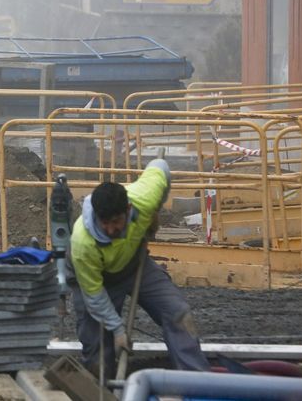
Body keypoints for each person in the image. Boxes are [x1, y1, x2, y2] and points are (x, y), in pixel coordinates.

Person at [67, 158, 209, 378]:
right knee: (97, 343)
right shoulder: (83, 243)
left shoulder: (144, 199)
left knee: (177, 312)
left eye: (116, 221)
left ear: (129, 209)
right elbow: (94, 296)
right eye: (104, 222)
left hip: (135, 264)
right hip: (98, 279)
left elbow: (160, 165)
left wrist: (155, 212)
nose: (110, 229)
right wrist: (118, 329)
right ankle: (99, 389)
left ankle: (196, 382)